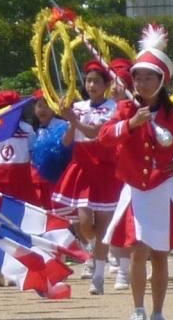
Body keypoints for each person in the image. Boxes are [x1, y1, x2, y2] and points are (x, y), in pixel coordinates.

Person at [98, 25, 173, 320]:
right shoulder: (125, 109)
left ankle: (158, 312)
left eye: (149, 77)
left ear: (163, 80)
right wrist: (132, 124)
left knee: (160, 253)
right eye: (138, 76)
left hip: (163, 187)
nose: (142, 82)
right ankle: (137, 310)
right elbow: (105, 137)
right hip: (135, 188)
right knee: (137, 249)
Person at [53, 60, 123, 295]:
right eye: (88, 80)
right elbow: (66, 141)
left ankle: (99, 275)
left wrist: (73, 119)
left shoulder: (114, 108)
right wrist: (69, 120)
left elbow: (97, 134)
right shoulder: (79, 106)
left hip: (105, 167)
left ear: (106, 84)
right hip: (82, 165)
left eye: (96, 81)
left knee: (104, 224)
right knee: (84, 223)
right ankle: (95, 250)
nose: (91, 84)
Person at [0, 89, 38, 203]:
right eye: (3, 109)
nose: (8, 113)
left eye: (12, 109)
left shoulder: (27, 129)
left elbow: (33, 153)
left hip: (22, 181)